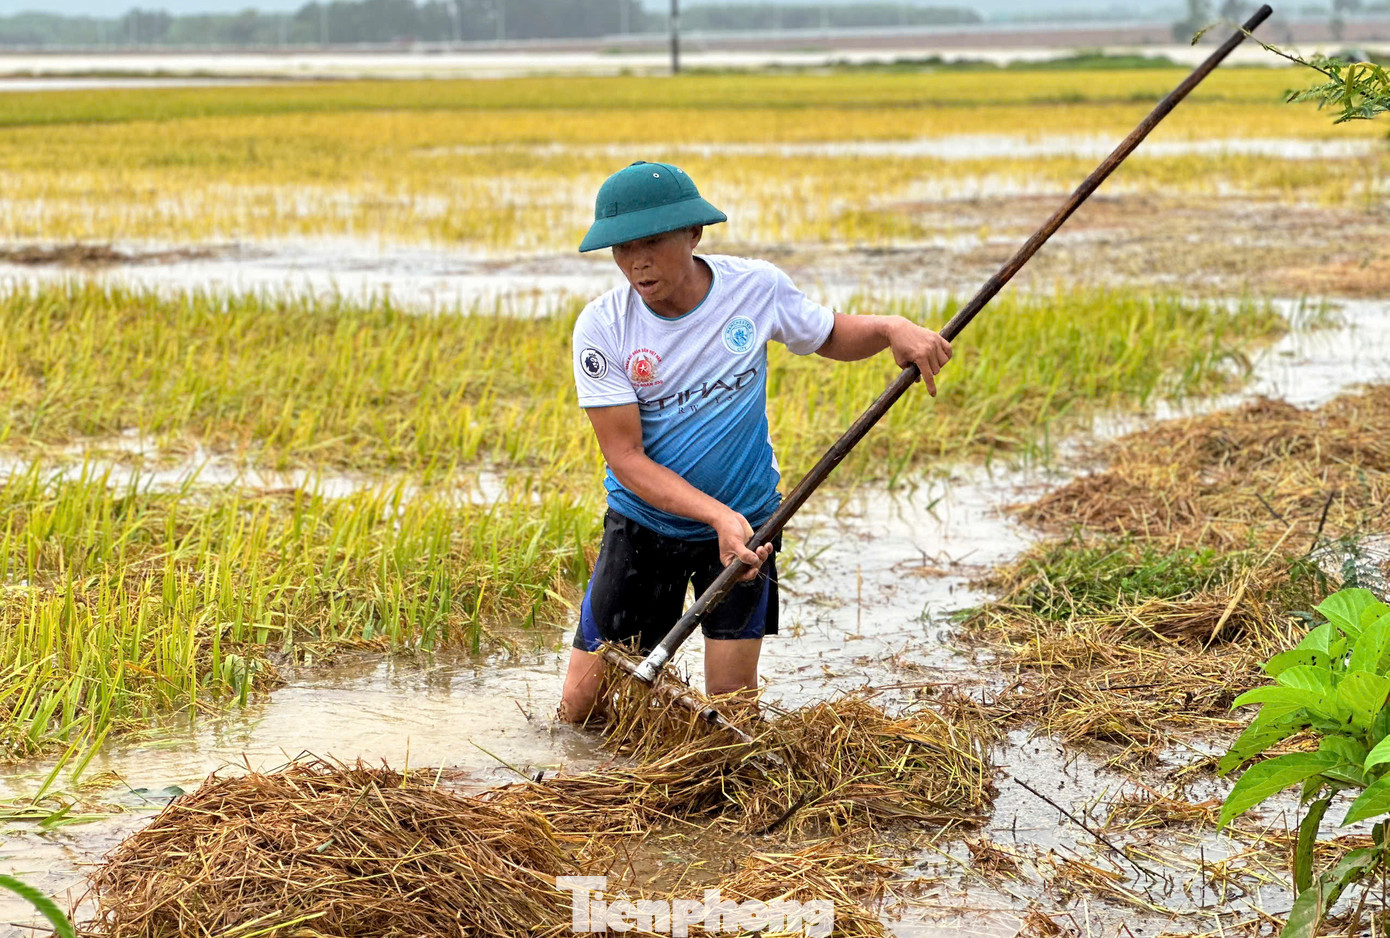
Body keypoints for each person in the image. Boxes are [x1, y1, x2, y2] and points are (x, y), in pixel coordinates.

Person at [558, 160, 951, 723]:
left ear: (693, 234)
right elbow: (625, 458)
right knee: (580, 708)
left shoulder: (754, 288)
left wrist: (892, 328)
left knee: (732, 706)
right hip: (646, 527)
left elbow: (829, 333)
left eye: (652, 242)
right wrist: (716, 516)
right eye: (622, 248)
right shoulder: (603, 327)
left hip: (753, 526)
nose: (636, 261)